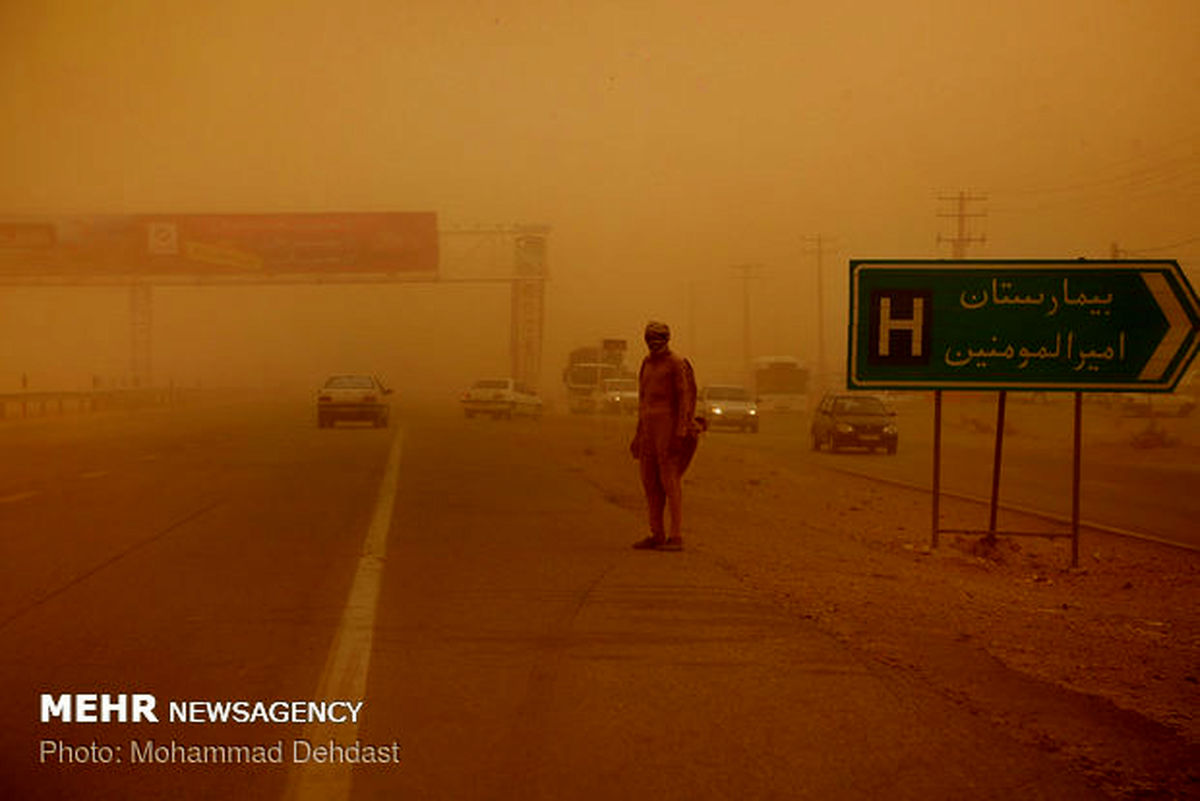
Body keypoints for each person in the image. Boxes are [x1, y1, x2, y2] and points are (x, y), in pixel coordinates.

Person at [629, 321, 699, 551]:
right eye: (650, 338)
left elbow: (684, 399)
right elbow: (642, 400)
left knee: (669, 481)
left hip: (668, 428)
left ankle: (676, 535)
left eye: (658, 338)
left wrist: (680, 431)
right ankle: (656, 532)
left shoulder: (676, 364)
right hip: (648, 428)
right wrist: (638, 435)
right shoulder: (646, 363)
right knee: (649, 482)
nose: (653, 342)